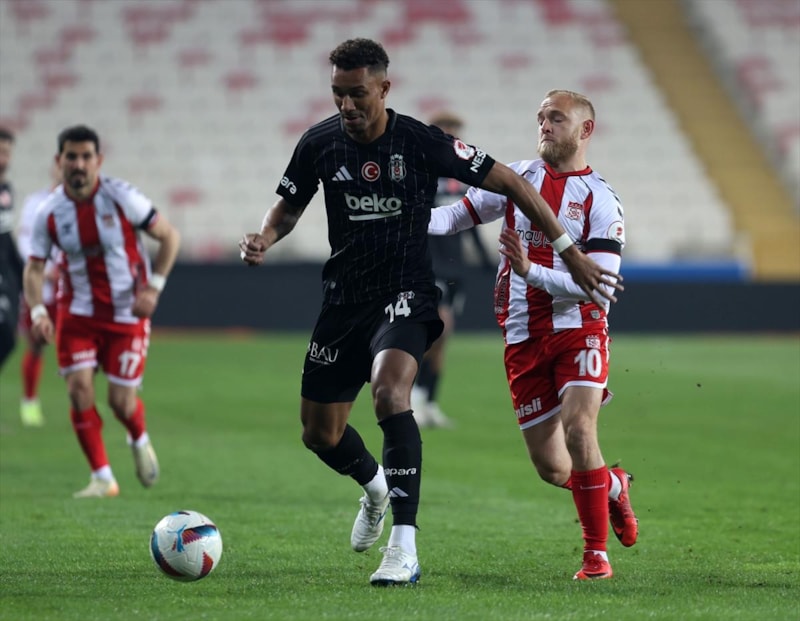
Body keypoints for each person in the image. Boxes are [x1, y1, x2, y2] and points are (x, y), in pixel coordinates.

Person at [239, 39, 620, 586]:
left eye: (358, 93)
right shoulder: (319, 142)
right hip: (345, 299)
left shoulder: (421, 141)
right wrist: (264, 236)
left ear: (383, 88)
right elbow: (290, 205)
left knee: (392, 394)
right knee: (319, 433)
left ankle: (405, 547)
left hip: (411, 293)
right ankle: (375, 488)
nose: (347, 105)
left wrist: (566, 251)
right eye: (338, 93)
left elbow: (512, 184)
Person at [428, 89, 637, 580]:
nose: (545, 125)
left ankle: (595, 556)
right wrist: (403, 217)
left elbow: (598, 288)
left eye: (557, 118)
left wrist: (529, 272)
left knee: (580, 430)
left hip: (578, 328)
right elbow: (457, 214)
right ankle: (612, 486)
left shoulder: (601, 200)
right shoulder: (518, 177)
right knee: (553, 468)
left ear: (585, 130)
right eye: (541, 117)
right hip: (523, 335)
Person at [23, 124, 181, 498]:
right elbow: (34, 267)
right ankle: (102, 477)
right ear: (59, 161)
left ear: (99, 160)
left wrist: (154, 287)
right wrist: (39, 312)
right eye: (71, 157)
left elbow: (169, 236)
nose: (79, 164)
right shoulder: (49, 212)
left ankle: (138, 436)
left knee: (120, 402)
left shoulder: (122, 197)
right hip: (76, 314)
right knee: (78, 390)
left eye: (86, 156)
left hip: (127, 313)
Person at [410, 111, 494, 429]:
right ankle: (412, 397)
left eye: (455, 130)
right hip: (431, 265)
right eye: (446, 129)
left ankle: (429, 402)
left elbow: (470, 220)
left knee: (445, 338)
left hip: (456, 267)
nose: (452, 135)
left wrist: (484, 259)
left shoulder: (462, 176)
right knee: (438, 330)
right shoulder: (423, 172)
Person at [15, 163, 63, 426]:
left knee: (76, 343)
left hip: (72, 288)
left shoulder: (83, 203)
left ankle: (81, 401)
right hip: (41, 286)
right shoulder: (35, 202)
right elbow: (24, 240)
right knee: (36, 342)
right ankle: (30, 401)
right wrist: (43, 269)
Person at [0, 126, 24, 371]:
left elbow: (6, 235)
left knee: (8, 337)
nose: (3, 159)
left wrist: (20, 269)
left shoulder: (7, 190)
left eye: (6, 153)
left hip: (6, 273)